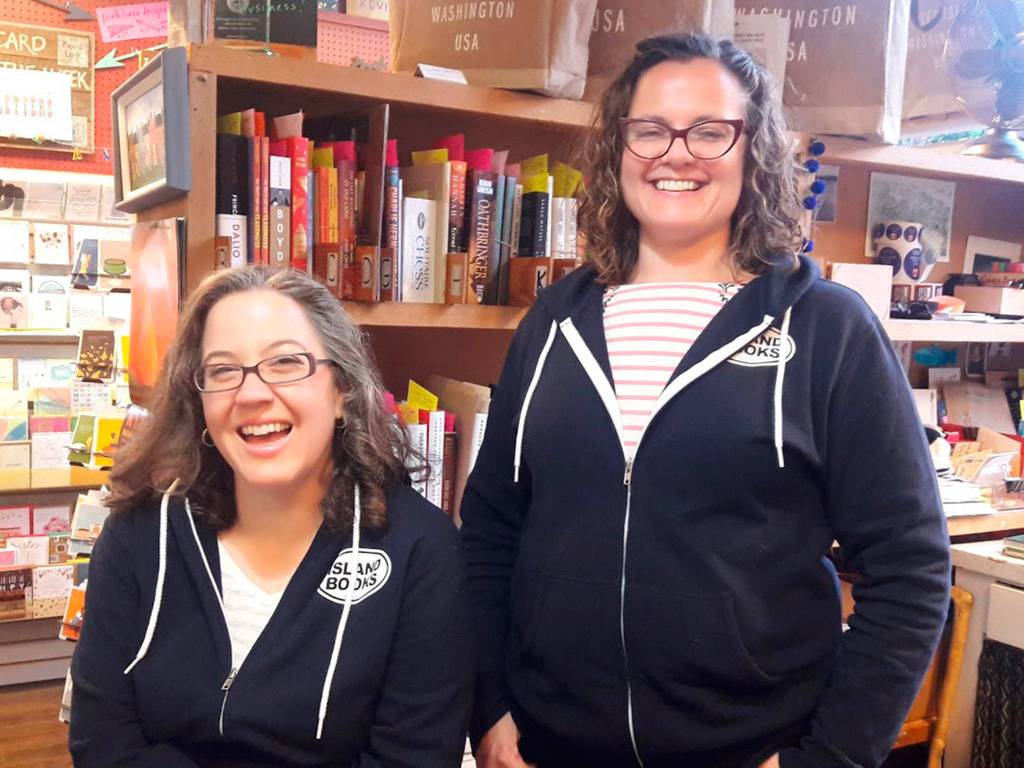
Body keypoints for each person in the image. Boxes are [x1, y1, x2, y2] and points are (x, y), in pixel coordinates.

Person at [461, 33, 951, 768]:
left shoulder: (826, 329)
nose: (675, 152)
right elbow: (492, 530)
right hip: (548, 745)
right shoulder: (552, 323)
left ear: (754, 152)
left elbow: (911, 570)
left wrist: (831, 757)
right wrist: (489, 708)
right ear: (618, 149)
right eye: (650, 129)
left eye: (710, 131)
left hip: (753, 748)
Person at [70, 267, 471, 767]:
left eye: (285, 362)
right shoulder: (139, 533)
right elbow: (102, 741)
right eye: (222, 370)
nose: (252, 394)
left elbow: (415, 759)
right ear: (199, 402)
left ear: (342, 390)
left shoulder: (419, 550)